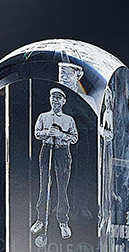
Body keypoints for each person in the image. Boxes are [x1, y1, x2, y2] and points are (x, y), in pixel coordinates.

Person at [31, 88, 78, 240]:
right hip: (47, 150)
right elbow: (37, 133)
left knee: (61, 187)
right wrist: (47, 133)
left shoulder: (68, 119)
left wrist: (60, 134)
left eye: (58, 97)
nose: (55, 100)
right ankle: (41, 219)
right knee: (44, 185)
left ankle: (63, 221)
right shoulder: (43, 116)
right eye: (53, 97)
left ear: (63, 101)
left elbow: (74, 138)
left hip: (62, 152)